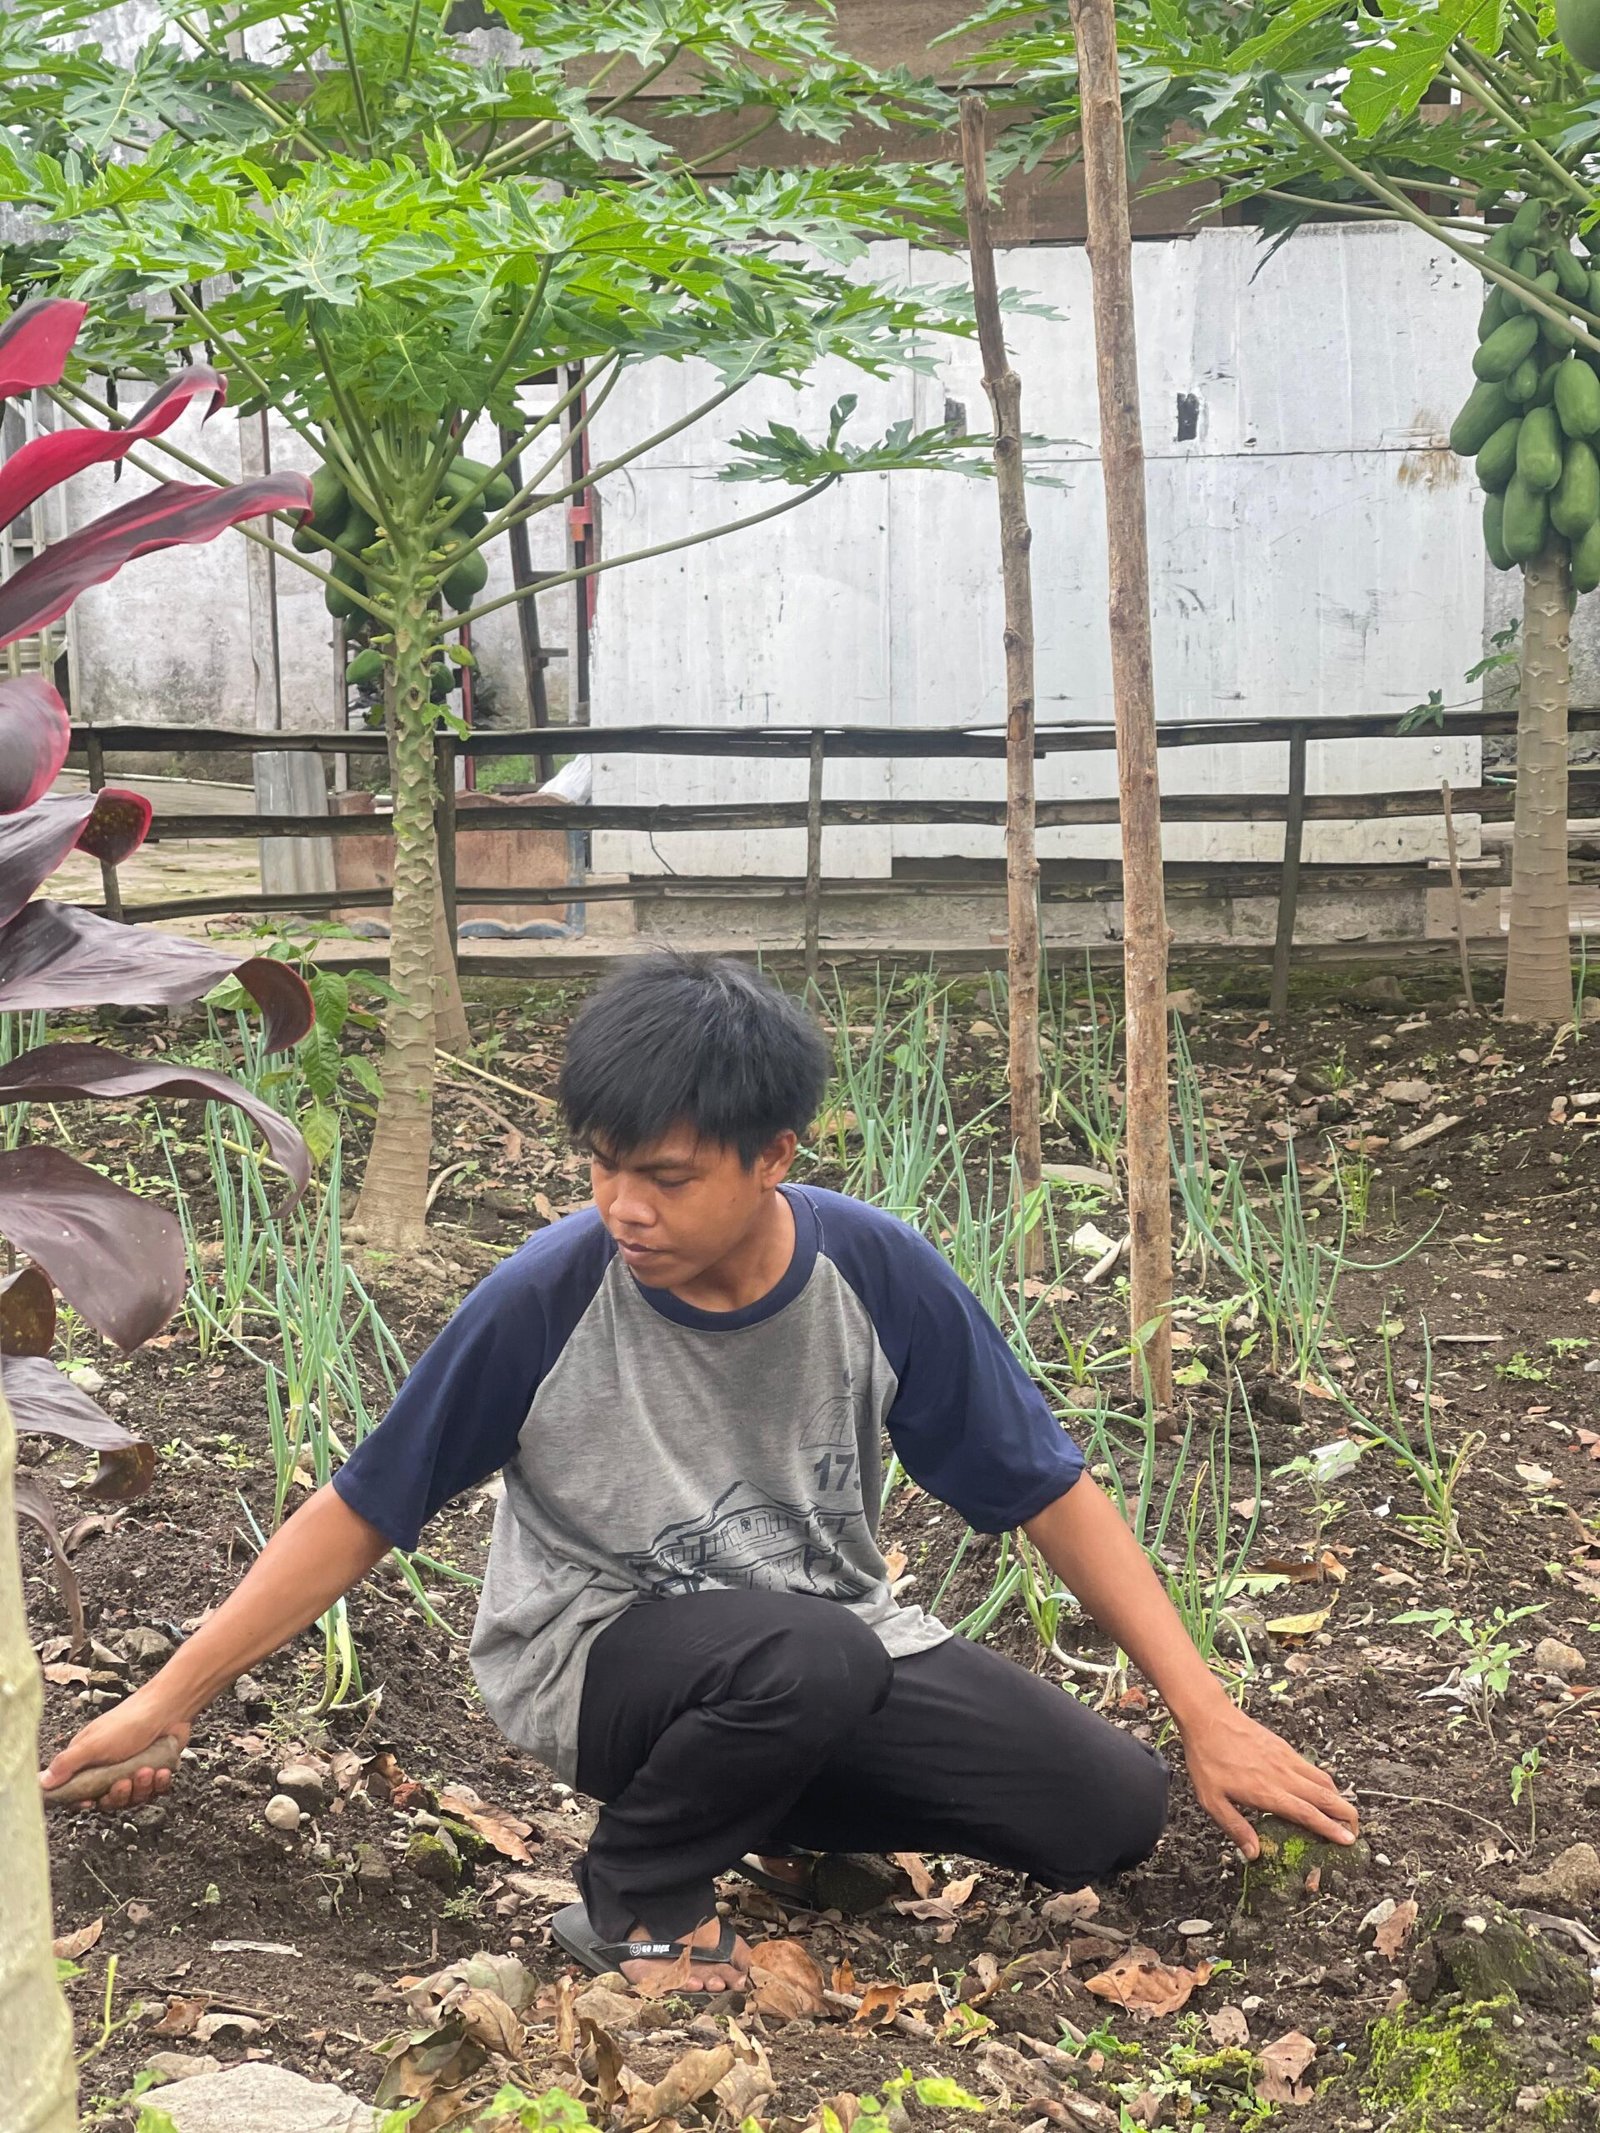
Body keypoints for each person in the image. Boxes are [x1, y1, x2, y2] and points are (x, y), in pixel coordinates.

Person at [43, 953, 1358, 1996]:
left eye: (665, 1177)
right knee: (811, 1659)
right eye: (606, 1166)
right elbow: (366, 1505)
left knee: (1104, 1806)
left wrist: (1202, 1710)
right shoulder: (546, 1296)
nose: (624, 1207)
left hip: (815, 1642)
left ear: (773, 1155)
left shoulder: (873, 1274)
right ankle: (637, 1898)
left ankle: (773, 1823)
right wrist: (173, 1698)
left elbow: (1044, 1488)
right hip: (600, 1659)